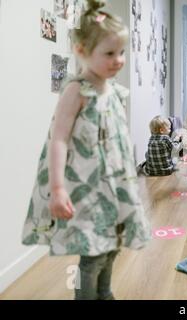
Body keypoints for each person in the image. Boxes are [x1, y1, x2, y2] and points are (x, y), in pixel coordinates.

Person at [21, 0, 151, 300]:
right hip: (87, 188)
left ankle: (104, 293)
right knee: (92, 255)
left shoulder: (113, 90)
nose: (119, 60)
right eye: (109, 53)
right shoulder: (77, 90)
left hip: (114, 186)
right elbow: (58, 139)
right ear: (82, 51)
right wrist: (57, 188)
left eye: (121, 52)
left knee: (112, 244)